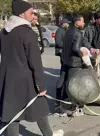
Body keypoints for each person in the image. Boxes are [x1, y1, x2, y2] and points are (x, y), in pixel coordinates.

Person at [0, 0, 64, 136]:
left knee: (12, 113)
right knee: (40, 108)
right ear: (22, 14)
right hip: (27, 81)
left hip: (8, 79)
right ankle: (49, 134)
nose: (33, 15)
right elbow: (35, 62)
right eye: (31, 12)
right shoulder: (27, 33)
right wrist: (41, 85)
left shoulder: (4, 32)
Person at [54, 18, 70, 109]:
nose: (68, 25)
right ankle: (59, 98)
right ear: (63, 24)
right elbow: (59, 43)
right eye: (67, 23)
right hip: (63, 55)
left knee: (64, 75)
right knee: (63, 76)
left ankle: (62, 97)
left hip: (65, 54)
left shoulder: (64, 30)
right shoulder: (59, 31)